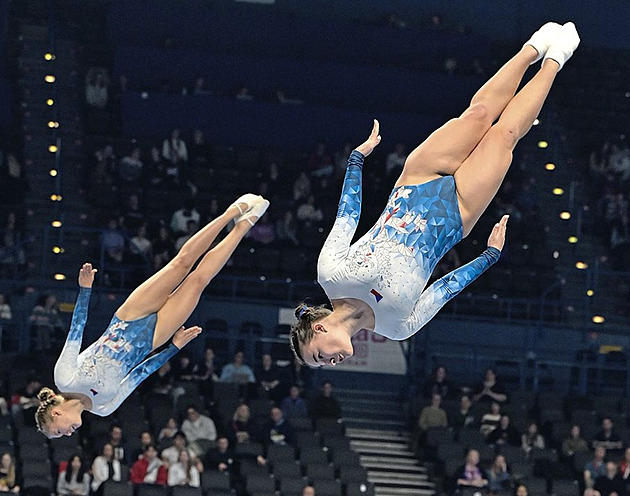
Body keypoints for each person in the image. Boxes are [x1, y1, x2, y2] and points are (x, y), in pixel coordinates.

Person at [289, 22, 580, 366]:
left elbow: (347, 216)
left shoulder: (331, 275)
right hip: (457, 214)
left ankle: (533, 48)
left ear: (319, 329)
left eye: (318, 357)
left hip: (416, 181)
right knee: (505, 135)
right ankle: (555, 60)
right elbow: (444, 290)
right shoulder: (397, 327)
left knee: (479, 114)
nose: (328, 363)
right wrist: (488, 256)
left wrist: (356, 160)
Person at [35, 194, 270, 437]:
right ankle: (245, 224)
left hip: (127, 318)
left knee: (181, 264)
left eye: (59, 432)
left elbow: (77, 330)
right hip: (153, 339)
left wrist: (85, 291)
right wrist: (173, 347)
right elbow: (140, 373)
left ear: (56, 414)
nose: (68, 433)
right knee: (198, 281)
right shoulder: (104, 408)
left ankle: (233, 212)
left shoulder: (64, 379)